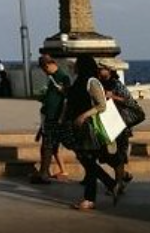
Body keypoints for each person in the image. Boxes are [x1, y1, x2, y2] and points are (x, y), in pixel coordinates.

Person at [60, 54, 117, 211]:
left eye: (77, 63)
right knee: (87, 161)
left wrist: (84, 115)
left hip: (88, 128)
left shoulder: (92, 82)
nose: (75, 66)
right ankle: (111, 184)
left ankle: (90, 198)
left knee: (89, 161)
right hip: (78, 128)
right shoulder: (79, 81)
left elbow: (101, 105)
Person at [97, 61, 140, 198]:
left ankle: (119, 183)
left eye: (102, 69)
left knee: (119, 155)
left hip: (120, 124)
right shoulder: (99, 84)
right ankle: (123, 175)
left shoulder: (116, 84)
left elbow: (129, 101)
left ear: (109, 70)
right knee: (105, 155)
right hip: (106, 124)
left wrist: (112, 97)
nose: (99, 71)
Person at [31, 54, 72, 184]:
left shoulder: (62, 77)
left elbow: (67, 96)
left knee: (48, 145)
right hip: (49, 115)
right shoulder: (53, 78)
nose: (44, 72)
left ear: (48, 65)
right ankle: (44, 172)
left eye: (44, 69)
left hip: (55, 117)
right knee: (48, 146)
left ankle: (44, 174)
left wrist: (62, 91)